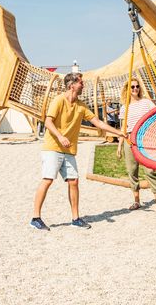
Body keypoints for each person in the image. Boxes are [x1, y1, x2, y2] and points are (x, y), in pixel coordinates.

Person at [31, 72, 126, 231]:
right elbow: (47, 121)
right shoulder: (59, 100)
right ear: (71, 85)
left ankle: (75, 218)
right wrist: (60, 137)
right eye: (81, 83)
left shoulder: (81, 105)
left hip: (69, 150)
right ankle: (35, 218)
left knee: (73, 182)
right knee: (48, 180)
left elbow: (97, 122)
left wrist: (118, 132)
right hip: (53, 147)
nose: (83, 85)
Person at [117, 79, 156, 212]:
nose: (135, 89)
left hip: (144, 139)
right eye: (132, 87)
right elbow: (123, 129)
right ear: (127, 89)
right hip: (129, 140)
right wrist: (119, 146)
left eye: (137, 86)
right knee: (132, 171)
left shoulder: (146, 103)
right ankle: (136, 201)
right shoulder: (124, 107)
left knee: (150, 170)